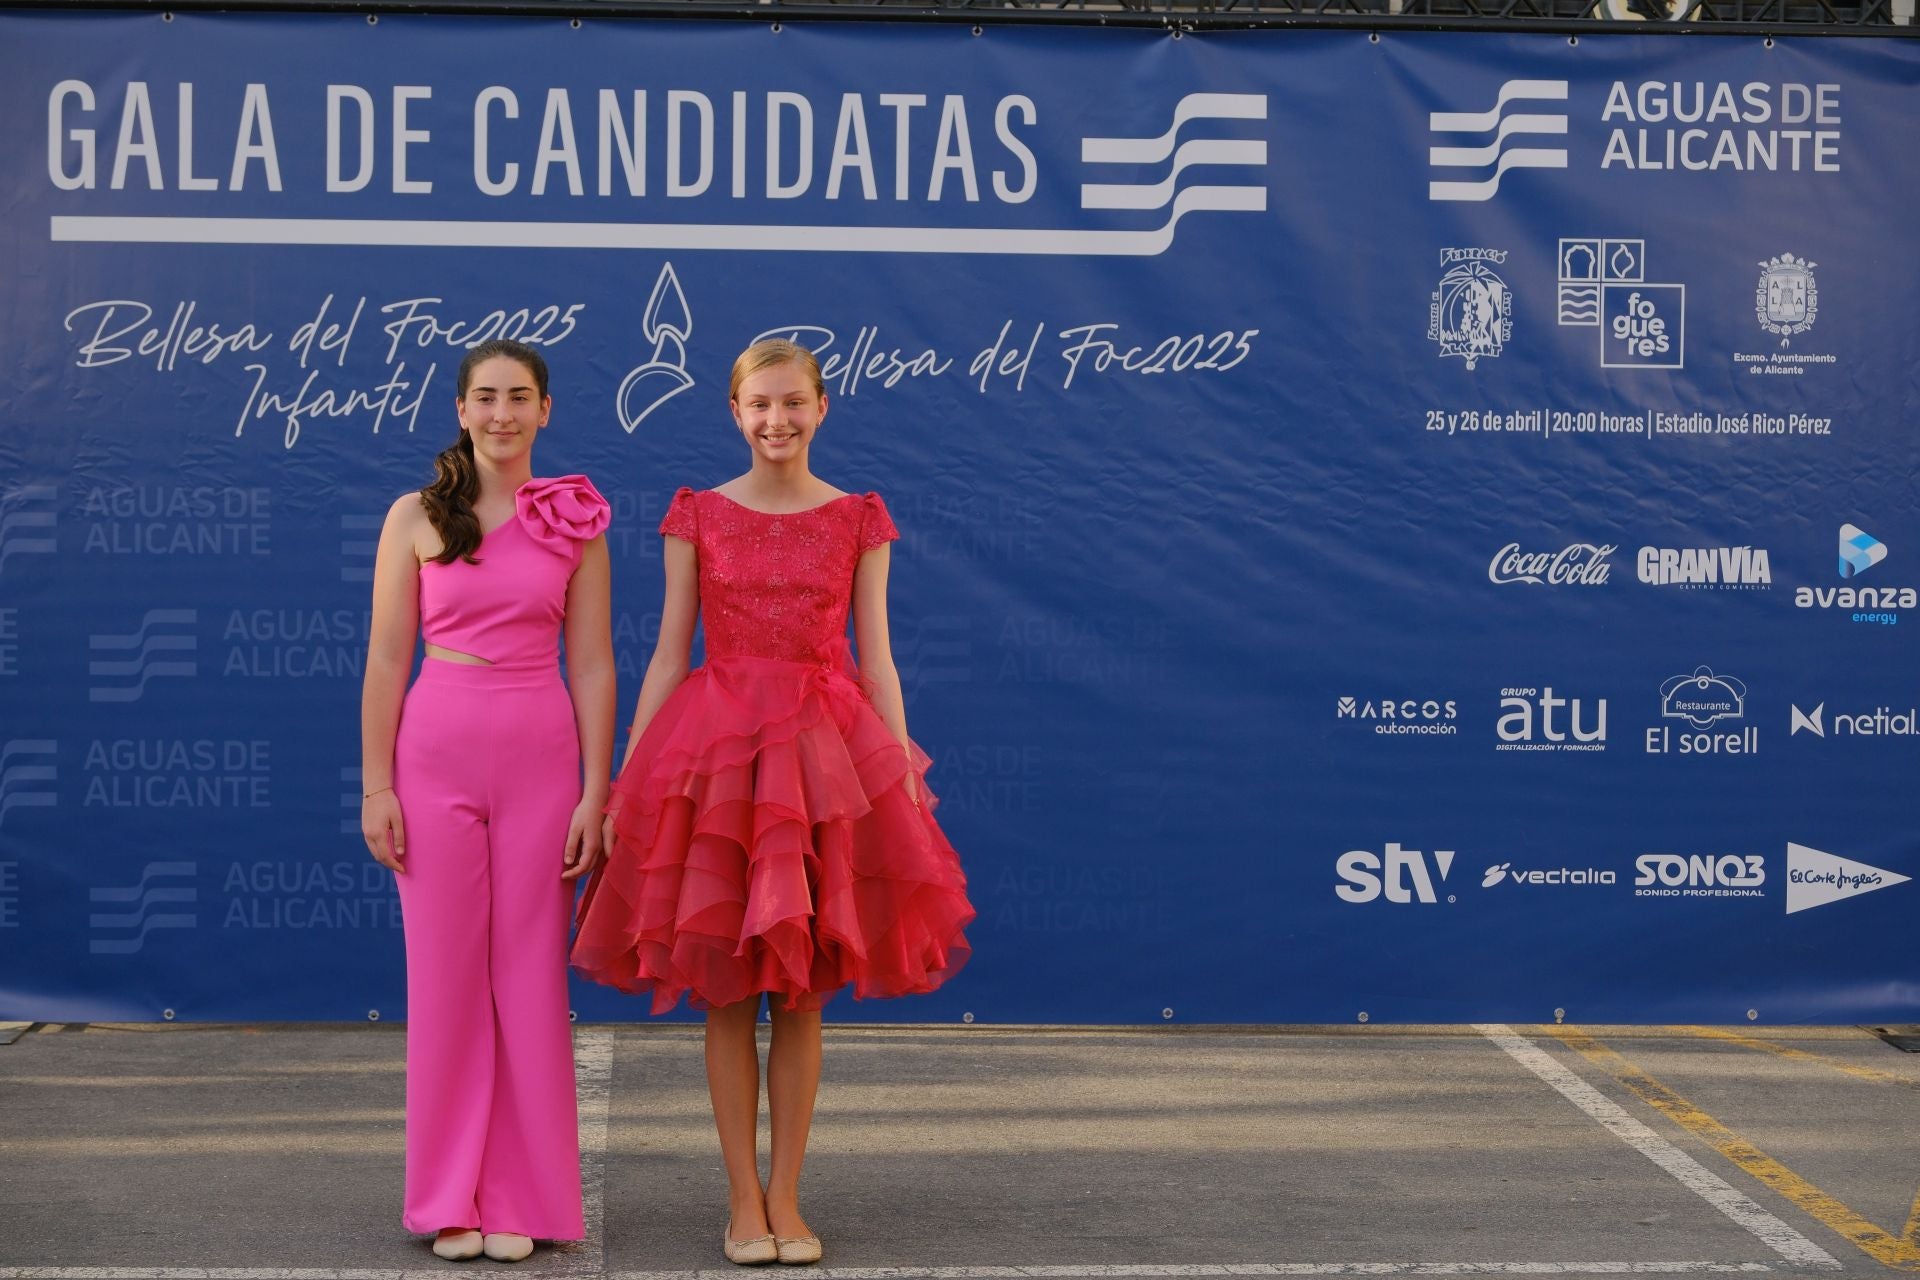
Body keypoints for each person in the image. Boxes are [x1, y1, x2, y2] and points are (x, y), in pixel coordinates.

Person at [571, 338, 974, 1266]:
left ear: (821, 409)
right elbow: (671, 654)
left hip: (824, 760)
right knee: (724, 994)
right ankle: (741, 1199)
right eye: (758, 404)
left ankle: (788, 1194)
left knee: (800, 996)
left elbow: (877, 656)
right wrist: (633, 775)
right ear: (734, 410)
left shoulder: (859, 519)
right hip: (714, 762)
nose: (776, 421)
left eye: (793, 404)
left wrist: (902, 776)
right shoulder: (697, 514)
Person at [361, 338, 613, 1263]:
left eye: (520, 396)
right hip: (433, 758)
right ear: (461, 410)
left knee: (530, 979)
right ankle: (447, 1198)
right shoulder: (413, 518)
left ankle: (523, 1198)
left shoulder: (577, 520)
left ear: (547, 409)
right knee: (446, 981)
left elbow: (592, 663)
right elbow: (389, 657)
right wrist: (377, 784)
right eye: (485, 397)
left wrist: (598, 790)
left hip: (544, 757)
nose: (502, 413)